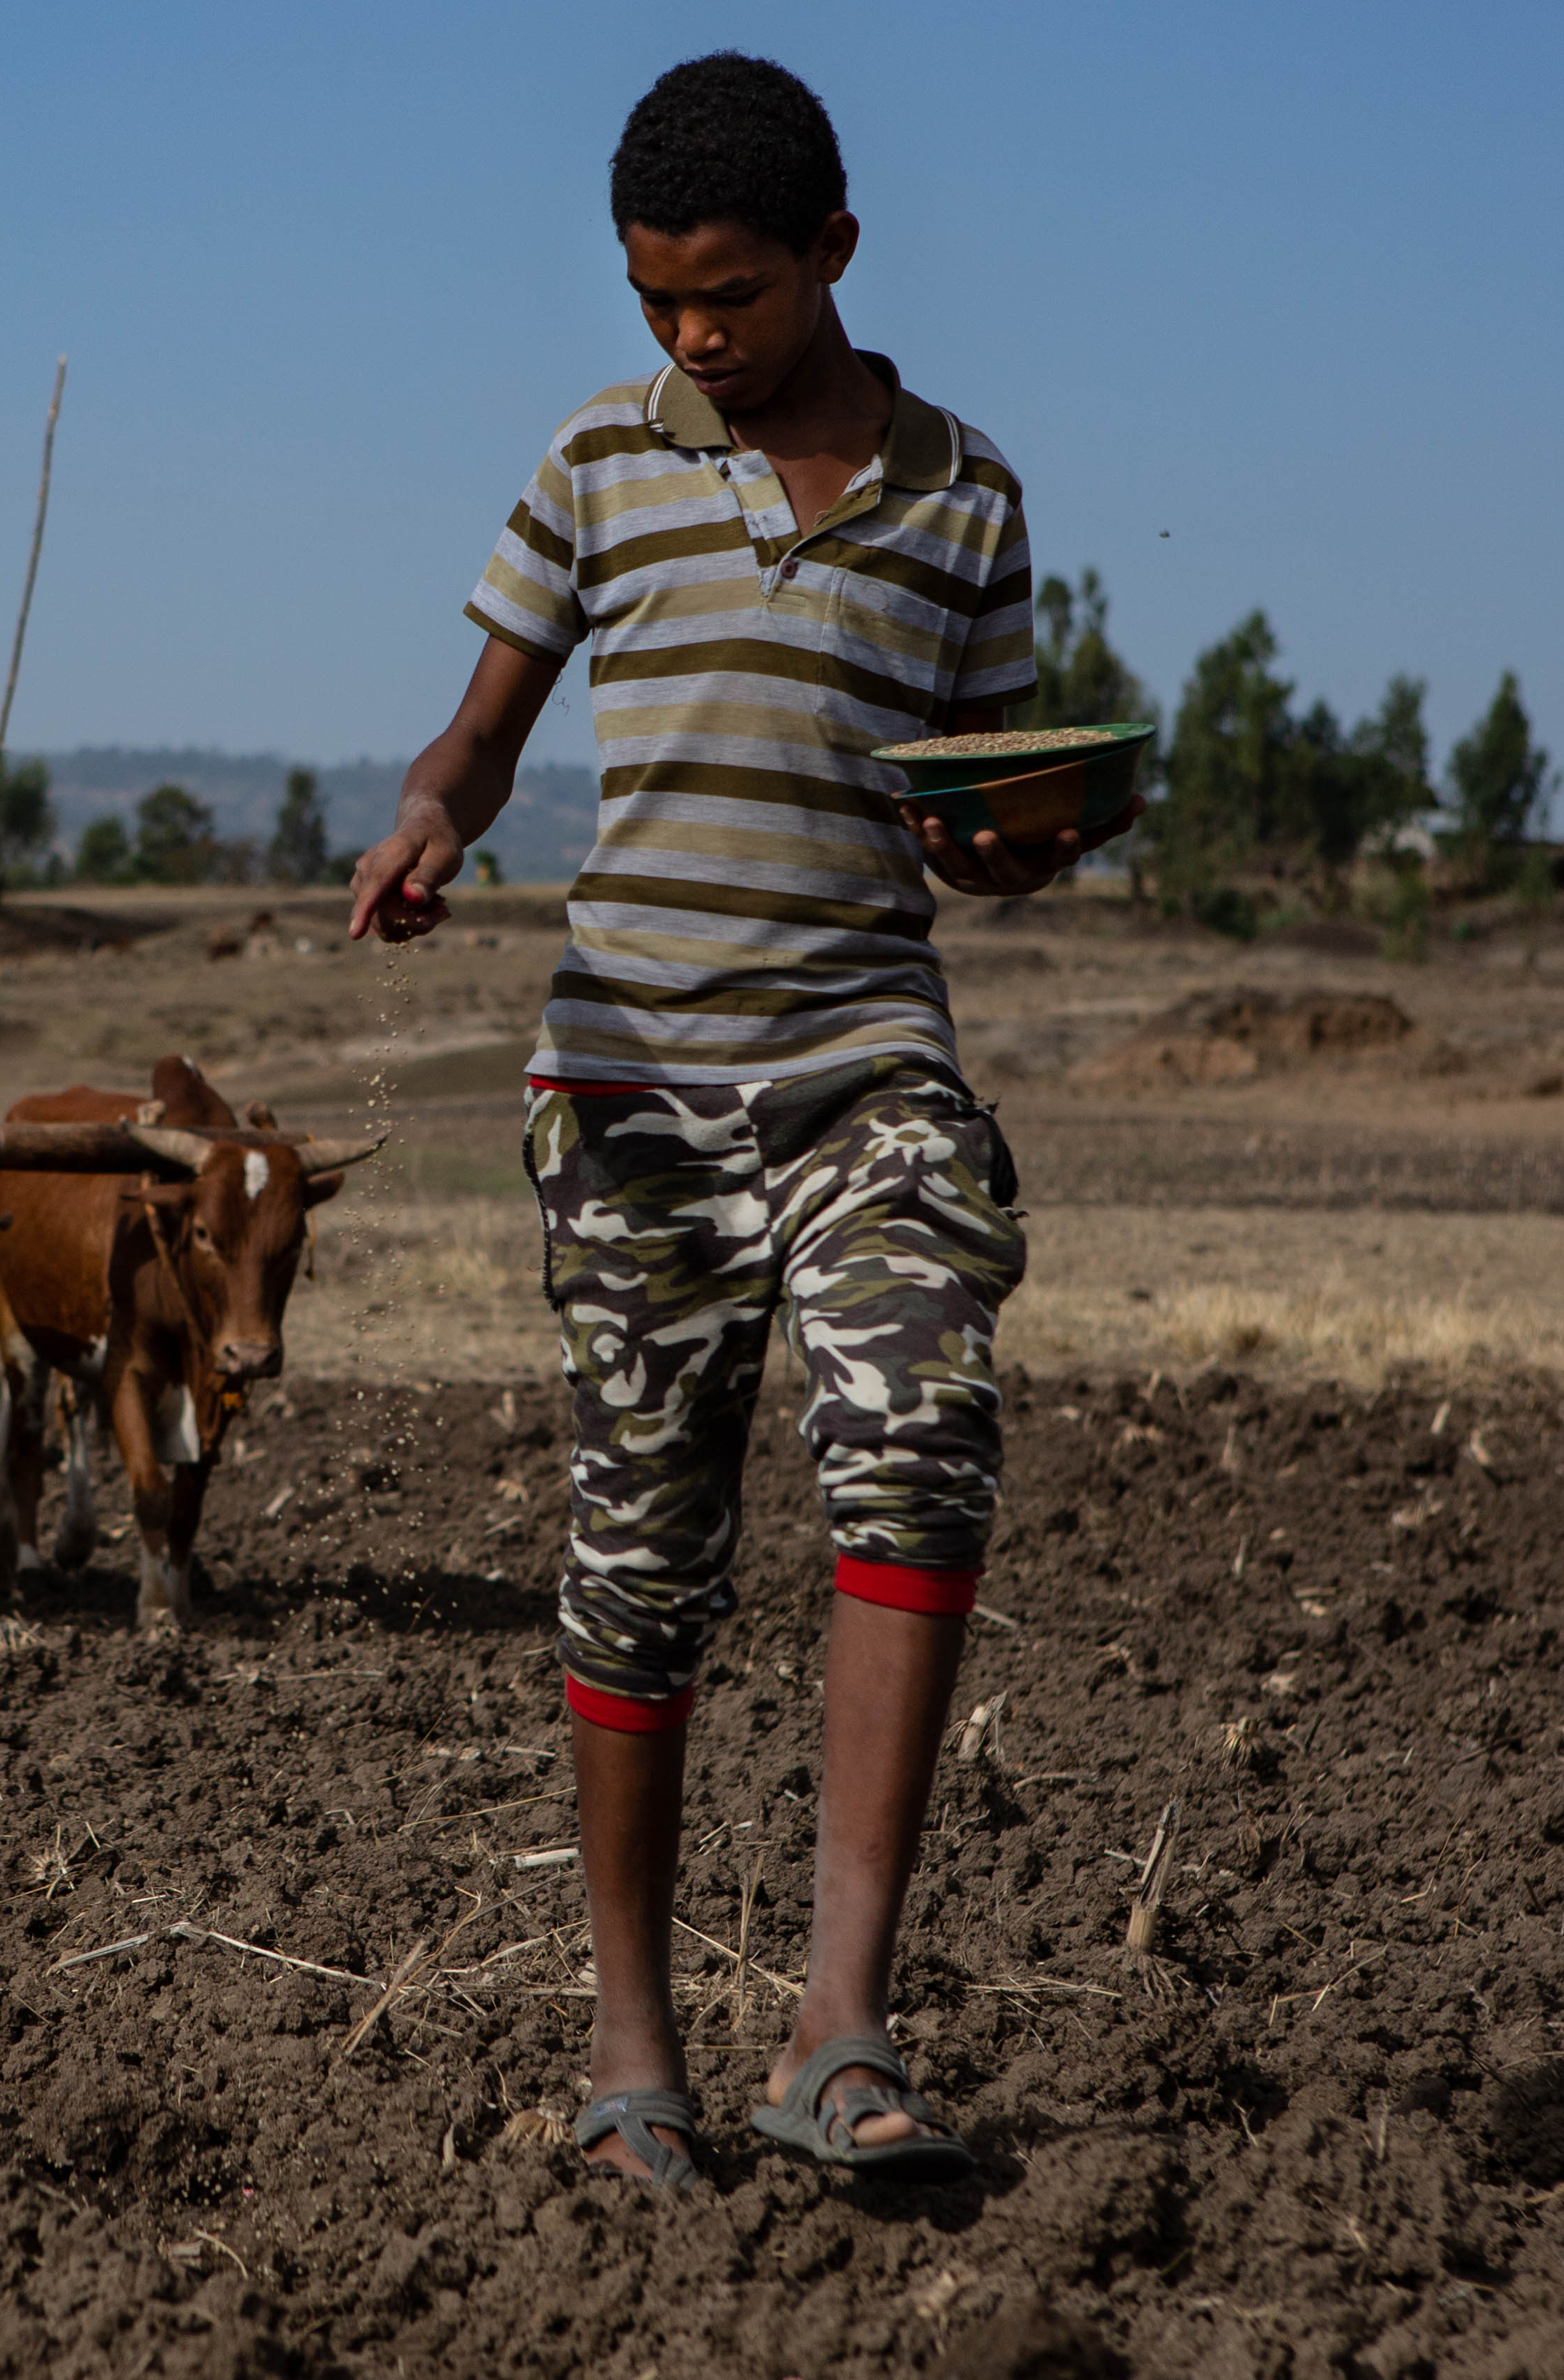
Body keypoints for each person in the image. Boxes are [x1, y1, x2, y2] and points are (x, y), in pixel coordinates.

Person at [347, 53, 1140, 2191]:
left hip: (866, 1064)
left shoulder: (967, 494)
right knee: (646, 1558)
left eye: (730, 298)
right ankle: (633, 2056)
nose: (691, 340)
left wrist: (1018, 846)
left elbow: (975, 807)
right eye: (654, 302)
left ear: (834, 255)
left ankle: (838, 2033)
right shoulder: (599, 462)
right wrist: (428, 817)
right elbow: (483, 733)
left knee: (920, 1444)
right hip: (628, 1091)